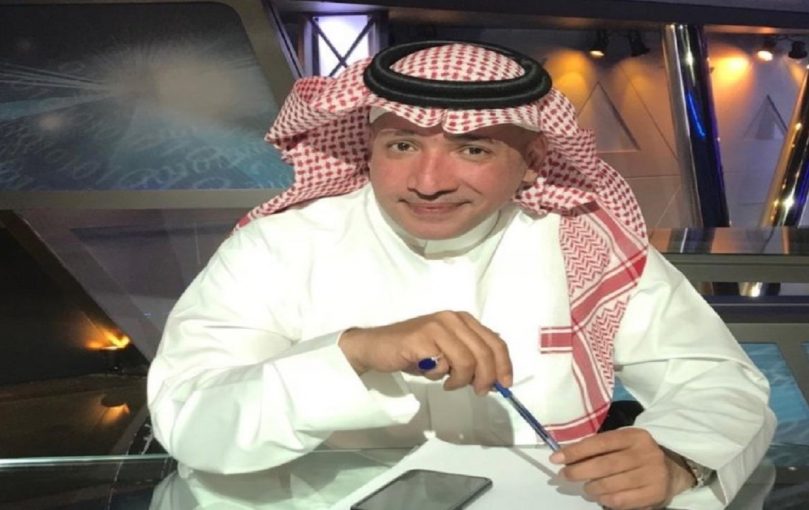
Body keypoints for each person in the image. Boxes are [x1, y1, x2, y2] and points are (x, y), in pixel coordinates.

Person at [147, 40, 775, 509]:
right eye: (402, 146)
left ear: (533, 159)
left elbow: (719, 382)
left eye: (473, 149)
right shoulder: (279, 246)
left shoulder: (586, 244)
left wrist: (676, 455)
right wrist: (353, 352)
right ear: (369, 146)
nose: (428, 182)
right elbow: (189, 421)